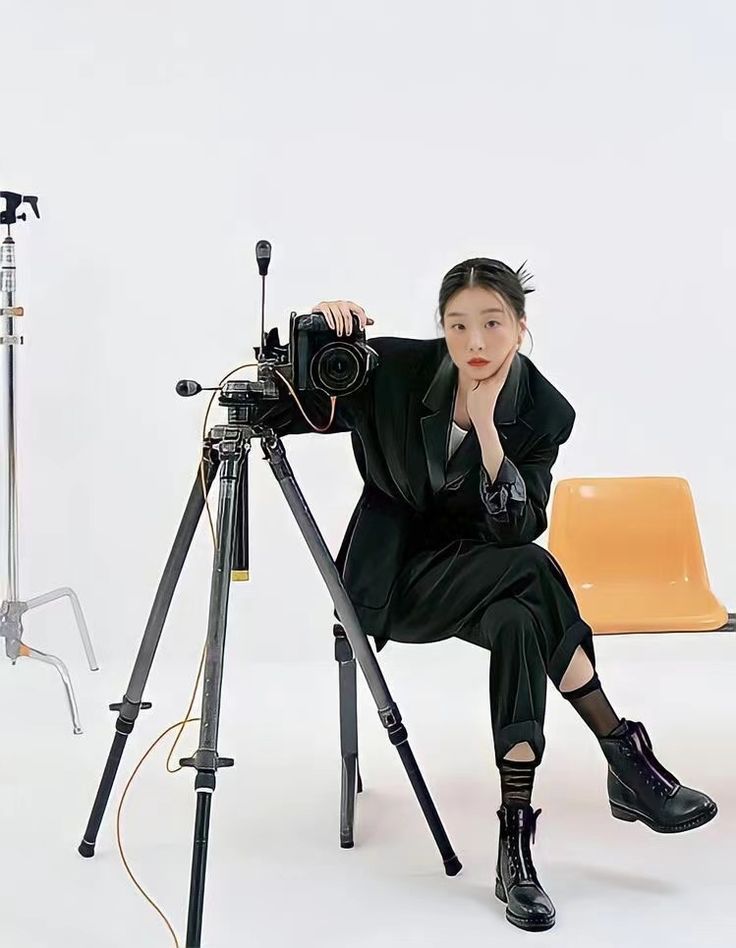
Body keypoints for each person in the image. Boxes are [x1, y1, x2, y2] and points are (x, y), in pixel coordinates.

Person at [258, 258, 717, 933]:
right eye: (458, 325)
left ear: (521, 328)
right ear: (440, 327)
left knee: (519, 619)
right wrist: (316, 333)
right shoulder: (393, 370)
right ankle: (622, 752)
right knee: (532, 572)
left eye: (492, 324)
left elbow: (518, 522)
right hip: (396, 582)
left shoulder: (544, 411)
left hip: (482, 579)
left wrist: (489, 430)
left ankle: (515, 854)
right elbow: (290, 406)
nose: (475, 342)